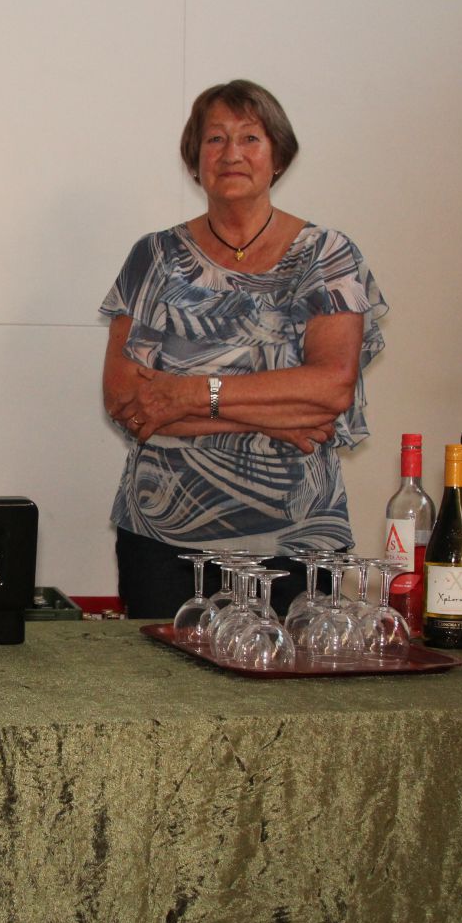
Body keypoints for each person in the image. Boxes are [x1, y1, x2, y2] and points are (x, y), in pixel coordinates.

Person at [101, 80, 387, 619]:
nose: (232, 153)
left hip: (297, 544)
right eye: (215, 139)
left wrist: (188, 394)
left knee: (293, 676)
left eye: (250, 137)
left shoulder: (326, 255)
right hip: (162, 547)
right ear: (195, 160)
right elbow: (126, 401)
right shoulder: (154, 257)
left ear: (278, 156)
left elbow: (331, 389)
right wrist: (276, 415)